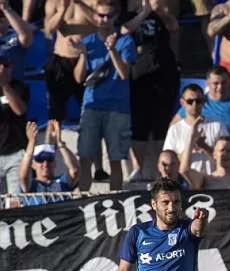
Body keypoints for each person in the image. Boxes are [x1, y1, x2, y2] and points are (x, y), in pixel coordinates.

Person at [73, 0, 137, 192]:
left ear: (115, 17)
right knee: (85, 159)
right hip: (91, 107)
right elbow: (78, 78)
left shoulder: (125, 41)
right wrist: (83, 55)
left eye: (109, 16)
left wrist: (112, 50)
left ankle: (115, 202)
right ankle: (82, 201)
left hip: (118, 108)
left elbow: (124, 74)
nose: (105, 20)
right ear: (94, 17)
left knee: (115, 161)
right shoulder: (88, 42)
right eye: (101, 15)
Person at [122, 0, 180, 181]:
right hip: (140, 75)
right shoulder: (131, 15)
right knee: (140, 125)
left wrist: (160, 12)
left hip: (164, 74)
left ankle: (159, 169)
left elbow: (174, 26)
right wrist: (144, 13)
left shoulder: (163, 13)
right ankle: (137, 168)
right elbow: (124, 30)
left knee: (160, 125)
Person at [174, 65, 230, 169]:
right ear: (207, 83)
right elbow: (174, 125)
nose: (220, 87)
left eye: (223, 83)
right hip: (203, 168)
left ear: (229, 82)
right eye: (215, 83)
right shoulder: (197, 102)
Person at [44, 0, 96, 147]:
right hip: (60, 60)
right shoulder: (54, 2)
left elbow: (101, 22)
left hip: (87, 60)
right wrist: (62, 10)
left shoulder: (93, 2)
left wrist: (80, 4)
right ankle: (48, 153)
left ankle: (90, 155)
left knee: (91, 113)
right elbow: (49, 30)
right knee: (54, 116)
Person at [164, 83, 230, 176]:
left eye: (198, 101)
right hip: (185, 181)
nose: (194, 104)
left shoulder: (217, 125)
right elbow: (169, 162)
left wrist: (204, 146)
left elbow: (227, 160)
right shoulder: (175, 129)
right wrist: (191, 144)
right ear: (182, 103)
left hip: (213, 180)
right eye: (190, 101)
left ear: (204, 102)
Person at [181, 114, 230, 188]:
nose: (225, 154)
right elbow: (184, 170)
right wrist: (191, 137)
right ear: (214, 155)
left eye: (229, 151)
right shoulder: (205, 180)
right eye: (222, 150)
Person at [18, 120, 79, 202]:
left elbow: (74, 170)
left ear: (54, 163)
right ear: (33, 164)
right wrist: (31, 142)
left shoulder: (62, 182)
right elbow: (23, 176)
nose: (45, 164)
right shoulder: (31, 185)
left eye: (49, 159)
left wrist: (59, 142)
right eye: (40, 160)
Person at [0, 55, 28, 195]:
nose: (2, 70)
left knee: (16, 200)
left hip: (16, 153)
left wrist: (4, 85)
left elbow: (20, 110)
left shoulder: (19, 87)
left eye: (5, 66)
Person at [0, 0, 33, 81]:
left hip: (13, 85)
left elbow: (26, 37)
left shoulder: (15, 36)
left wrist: (6, 9)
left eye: (2, 17)